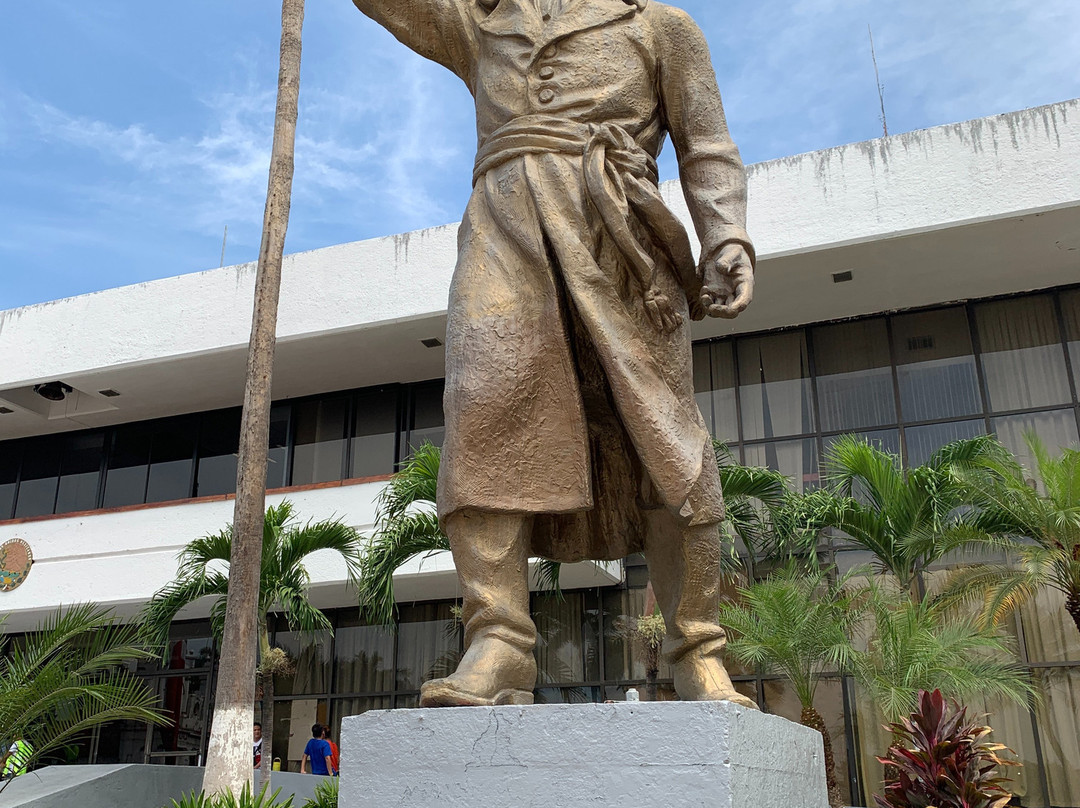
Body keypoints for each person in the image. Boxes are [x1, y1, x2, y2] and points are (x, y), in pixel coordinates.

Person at [348, 0, 756, 709]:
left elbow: (707, 143)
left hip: (620, 235)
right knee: (482, 409)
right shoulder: (479, 20)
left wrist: (726, 236)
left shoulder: (659, 25)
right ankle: (499, 641)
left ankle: (697, 648)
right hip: (505, 231)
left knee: (663, 438)